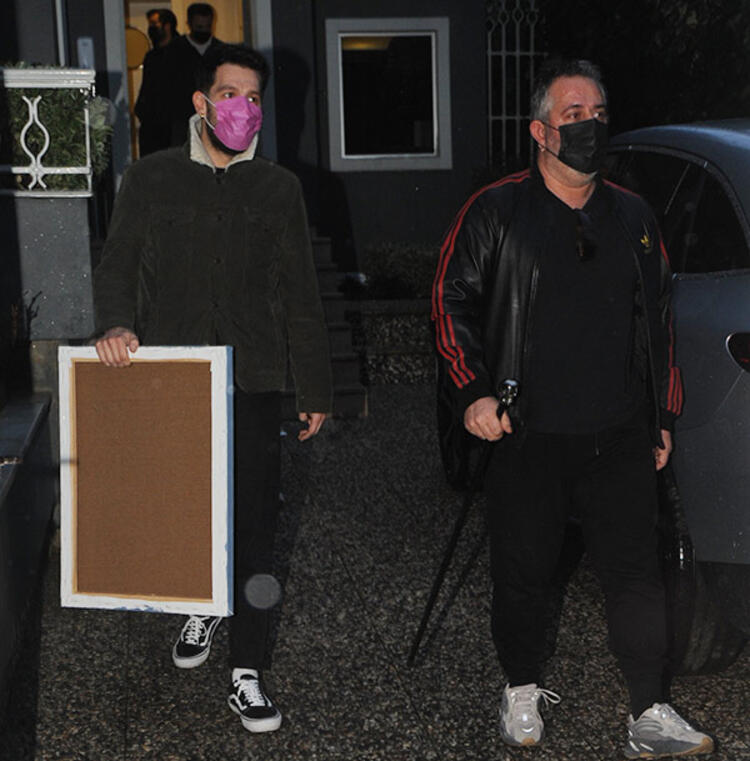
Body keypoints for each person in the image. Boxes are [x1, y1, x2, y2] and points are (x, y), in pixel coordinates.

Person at [432, 58, 714, 759]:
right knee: (524, 574)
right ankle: (521, 686)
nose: (590, 126)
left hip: (618, 432)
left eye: (598, 113)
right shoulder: (497, 210)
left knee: (637, 576)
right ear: (540, 131)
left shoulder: (633, 216)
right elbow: (449, 300)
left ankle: (648, 707)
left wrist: (662, 416)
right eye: (573, 115)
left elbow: (658, 321)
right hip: (527, 432)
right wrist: (473, 390)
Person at [93, 43, 332, 733]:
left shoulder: (279, 190)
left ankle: (246, 670)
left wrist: (313, 386)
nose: (244, 109)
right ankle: (202, 605)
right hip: (175, 380)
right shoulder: (150, 178)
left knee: (256, 525)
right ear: (201, 103)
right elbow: (118, 264)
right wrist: (115, 324)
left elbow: (300, 294)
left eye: (254, 98)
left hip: (252, 379)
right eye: (230, 95)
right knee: (185, 512)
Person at [163, 3, 223, 147]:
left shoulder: (220, 51)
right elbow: (166, 88)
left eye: (207, 27)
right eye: (199, 27)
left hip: (213, 118)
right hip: (182, 119)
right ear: (189, 24)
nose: (204, 31)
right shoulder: (174, 50)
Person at [134, 8, 179, 156]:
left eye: (154, 23)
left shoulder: (182, 53)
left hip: (173, 126)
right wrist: (141, 109)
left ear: (167, 25)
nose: (151, 28)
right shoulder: (151, 57)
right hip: (152, 126)